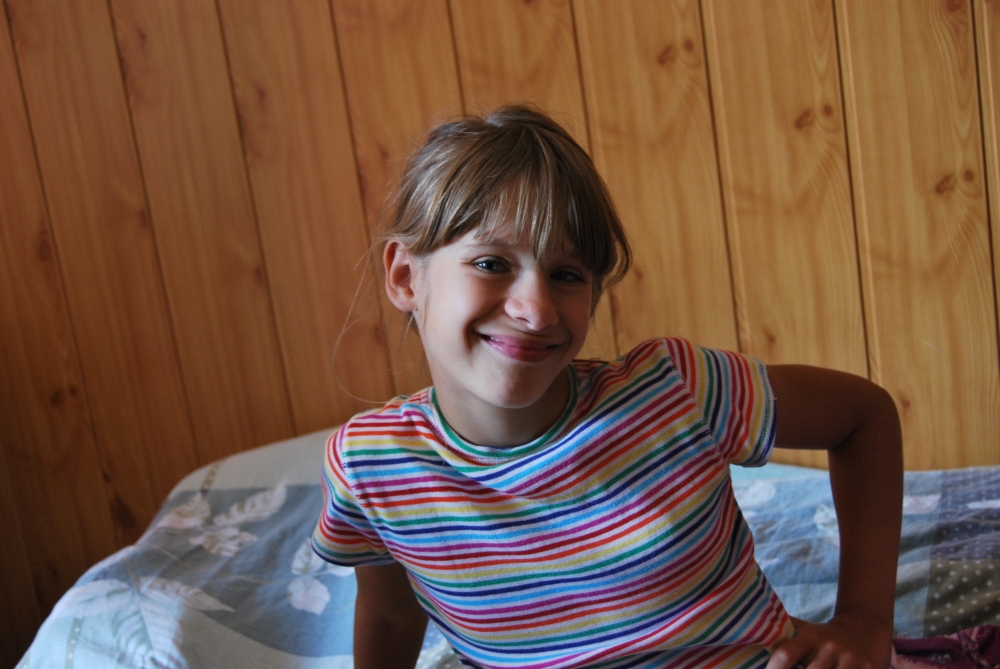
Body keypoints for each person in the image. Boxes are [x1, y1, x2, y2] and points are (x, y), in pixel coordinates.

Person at [312, 105, 903, 669]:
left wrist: (864, 619)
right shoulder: (372, 467)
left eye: (566, 274)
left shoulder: (673, 391)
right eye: (492, 263)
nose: (537, 310)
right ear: (405, 277)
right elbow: (390, 615)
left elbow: (864, 416)